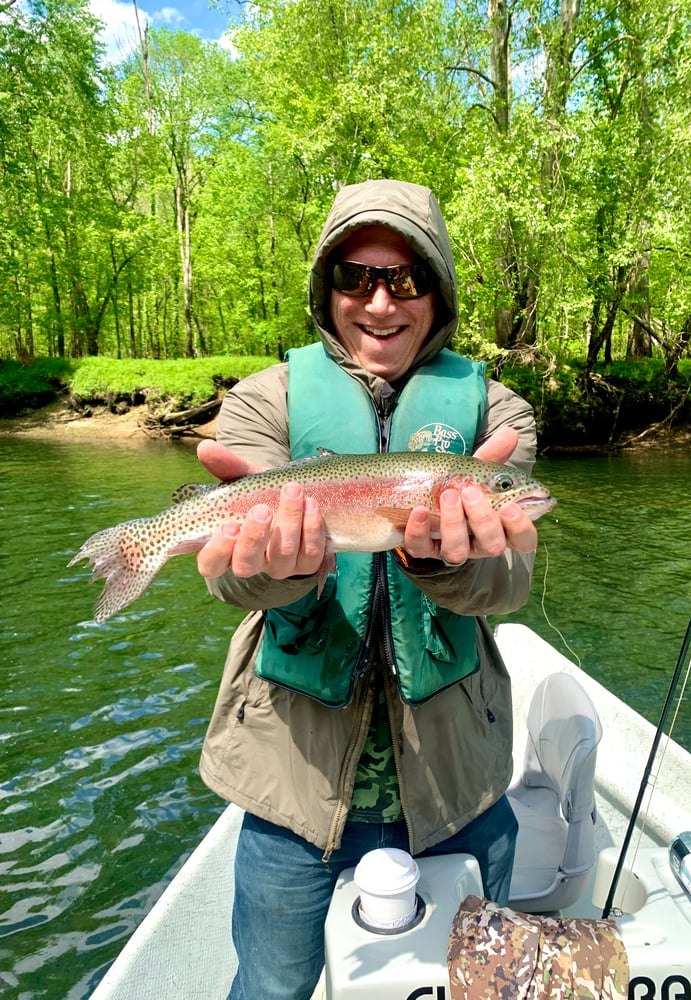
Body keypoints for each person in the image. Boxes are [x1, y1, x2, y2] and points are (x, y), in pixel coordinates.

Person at [194, 179, 539, 999]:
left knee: (476, 987)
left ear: (438, 291)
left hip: (457, 783)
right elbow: (227, 577)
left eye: (407, 280)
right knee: (271, 989)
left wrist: (447, 562)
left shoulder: (497, 416)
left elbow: (512, 578)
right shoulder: (263, 400)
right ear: (328, 287)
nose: (381, 302)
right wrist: (269, 571)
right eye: (356, 277)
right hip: (293, 786)